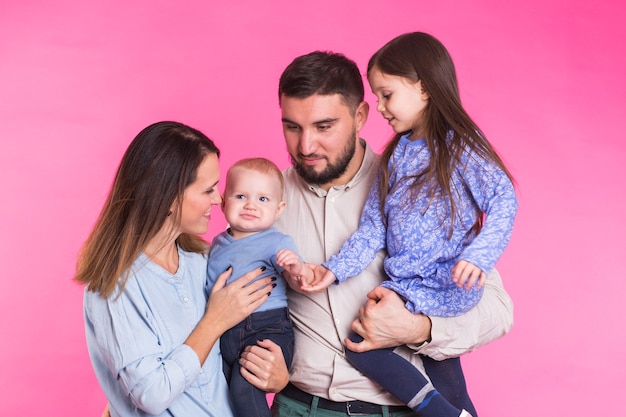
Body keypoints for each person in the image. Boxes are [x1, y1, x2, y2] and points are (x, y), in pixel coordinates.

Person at [255, 49, 514, 417]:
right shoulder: (265, 202)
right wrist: (270, 361)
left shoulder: (418, 185)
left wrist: (418, 329)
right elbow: (246, 303)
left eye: (324, 126)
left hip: (396, 408)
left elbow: (497, 311)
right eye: (292, 126)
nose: (306, 146)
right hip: (298, 405)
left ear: (360, 115)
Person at [75, 121, 284, 417]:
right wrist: (213, 322)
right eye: (208, 189)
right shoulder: (113, 286)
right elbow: (152, 395)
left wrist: (278, 375)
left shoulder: (202, 260)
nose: (218, 199)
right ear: (169, 196)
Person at [206, 157, 313, 417]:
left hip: (266, 329)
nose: (251, 205)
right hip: (224, 333)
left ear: (278, 209)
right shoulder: (216, 243)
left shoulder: (276, 241)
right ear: (223, 201)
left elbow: (302, 276)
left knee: (245, 389)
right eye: (241, 196)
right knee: (220, 395)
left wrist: (295, 266)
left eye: (263, 199)